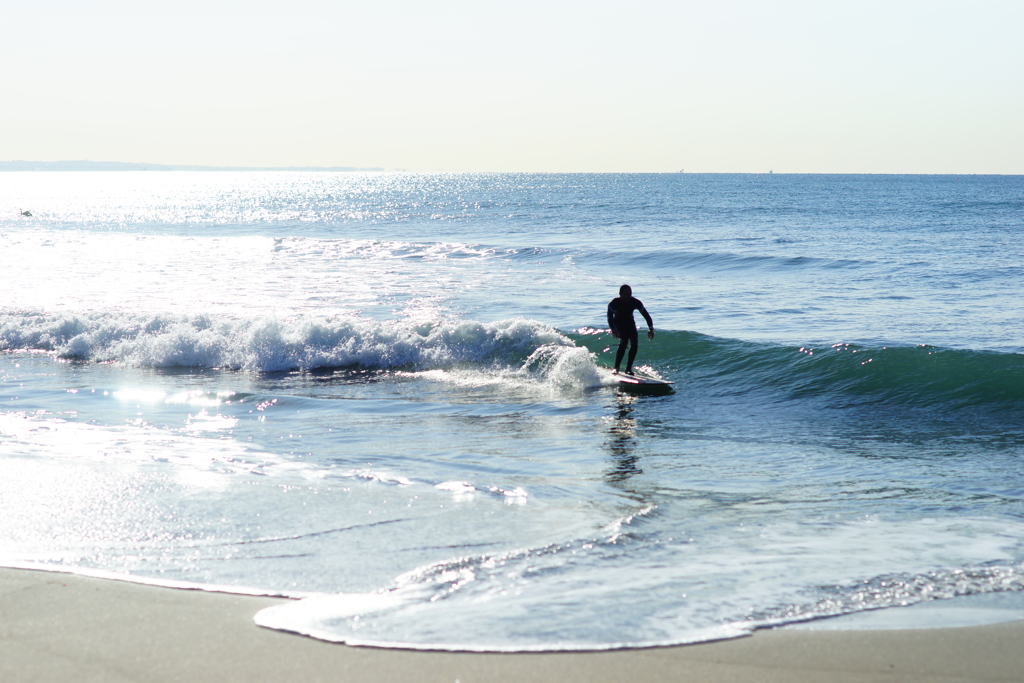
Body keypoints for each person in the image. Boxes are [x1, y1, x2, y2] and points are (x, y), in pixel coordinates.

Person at [607, 284, 654, 375]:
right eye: (626, 294)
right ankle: (616, 367)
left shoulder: (635, 302)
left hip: (630, 323)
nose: (628, 296)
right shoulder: (614, 303)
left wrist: (651, 329)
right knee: (624, 342)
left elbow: (646, 315)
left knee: (634, 342)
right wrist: (613, 329)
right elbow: (609, 317)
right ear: (620, 293)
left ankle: (628, 369)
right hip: (618, 324)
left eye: (630, 294)